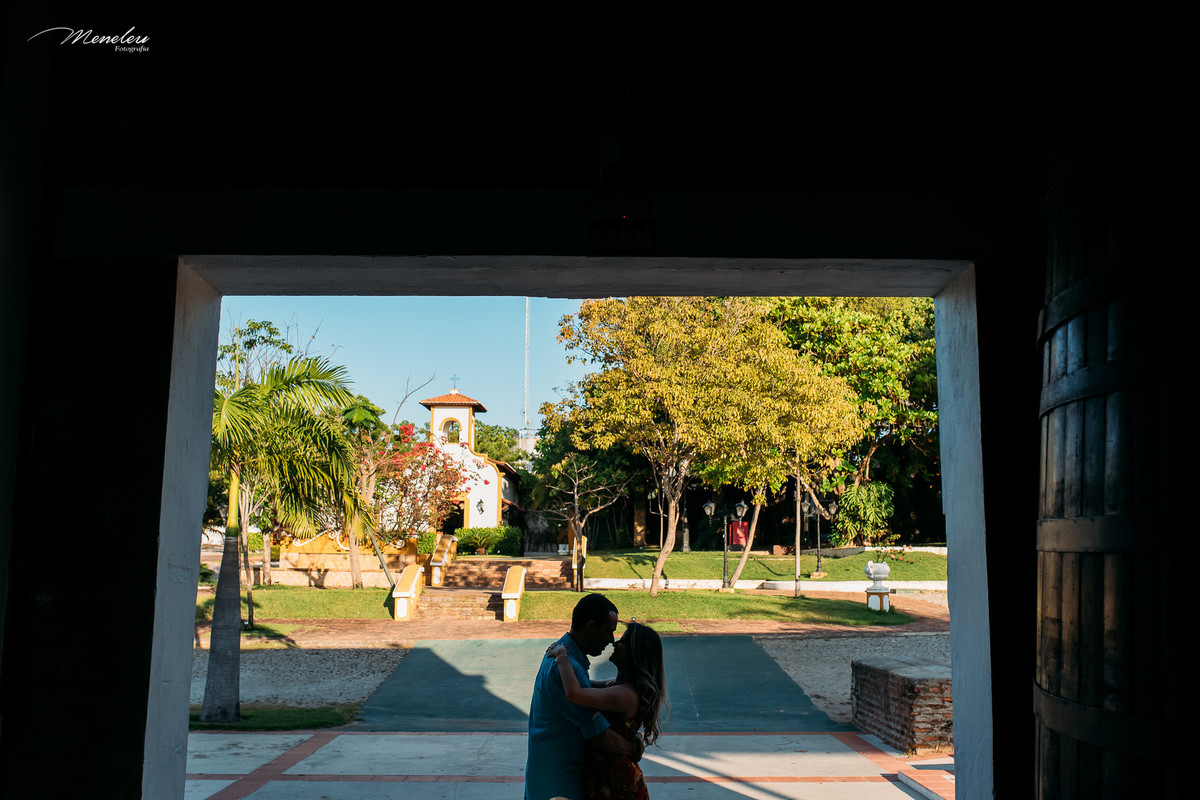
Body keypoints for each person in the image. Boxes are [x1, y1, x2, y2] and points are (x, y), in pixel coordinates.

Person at [525, 593, 644, 800]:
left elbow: (581, 690)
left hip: (547, 780)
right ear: (590, 627)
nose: (611, 641)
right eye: (608, 632)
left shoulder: (562, 654)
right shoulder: (566, 667)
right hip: (560, 785)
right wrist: (634, 747)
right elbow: (601, 736)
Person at [549, 621, 666, 800]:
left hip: (617, 783)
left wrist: (562, 656)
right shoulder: (618, 686)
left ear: (635, 654)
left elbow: (574, 693)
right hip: (608, 778)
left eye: (624, 641)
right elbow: (585, 685)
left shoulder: (624, 694)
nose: (615, 643)